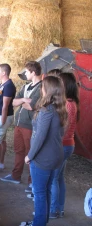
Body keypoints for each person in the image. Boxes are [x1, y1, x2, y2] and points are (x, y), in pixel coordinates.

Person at [19, 76, 67, 226]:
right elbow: (60, 133)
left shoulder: (47, 110)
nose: (41, 89)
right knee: (46, 189)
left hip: (43, 157)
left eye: (43, 87)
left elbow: (40, 137)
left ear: (48, 90)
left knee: (39, 192)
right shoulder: (61, 109)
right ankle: (42, 219)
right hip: (56, 155)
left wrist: (30, 155)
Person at [0, 61, 42, 193]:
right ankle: (15, 175)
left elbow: (32, 106)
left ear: (33, 72)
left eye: (27, 72)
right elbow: (13, 102)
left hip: (29, 125)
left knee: (30, 153)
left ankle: (32, 181)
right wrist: (24, 100)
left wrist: (23, 101)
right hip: (19, 123)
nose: (25, 74)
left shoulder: (41, 88)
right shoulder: (26, 86)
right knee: (19, 151)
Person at [50, 72, 79, 218]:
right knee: (59, 177)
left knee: (53, 178)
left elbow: (62, 128)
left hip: (62, 144)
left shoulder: (66, 104)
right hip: (68, 144)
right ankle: (59, 208)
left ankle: (54, 210)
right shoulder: (72, 102)